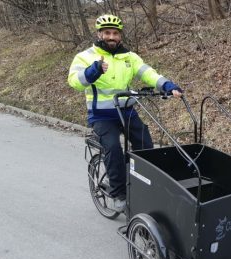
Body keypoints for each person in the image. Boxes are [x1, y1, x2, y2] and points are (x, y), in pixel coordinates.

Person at [68, 14, 183, 212]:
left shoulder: (129, 57)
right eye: (107, 33)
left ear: (120, 35)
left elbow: (148, 73)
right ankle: (119, 193)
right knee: (113, 148)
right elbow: (74, 81)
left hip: (127, 111)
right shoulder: (86, 56)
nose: (111, 37)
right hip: (102, 116)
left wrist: (166, 84)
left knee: (145, 145)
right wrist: (92, 71)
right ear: (99, 34)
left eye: (115, 33)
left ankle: (141, 183)